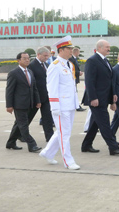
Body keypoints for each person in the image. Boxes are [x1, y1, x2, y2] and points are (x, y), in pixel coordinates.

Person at [39, 36, 81, 169]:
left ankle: (47, 153)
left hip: (70, 105)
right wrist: (55, 106)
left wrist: (76, 103)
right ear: (61, 50)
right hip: (61, 106)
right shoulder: (55, 66)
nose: (71, 51)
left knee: (62, 132)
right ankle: (68, 161)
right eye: (69, 49)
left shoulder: (69, 64)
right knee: (65, 134)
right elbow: (51, 88)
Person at [81, 39, 119, 156]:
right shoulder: (92, 61)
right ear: (100, 48)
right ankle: (113, 147)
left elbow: (109, 81)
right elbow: (89, 81)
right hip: (96, 99)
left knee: (95, 123)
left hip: (105, 98)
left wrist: (112, 98)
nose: (109, 49)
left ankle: (86, 145)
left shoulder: (105, 61)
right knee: (105, 123)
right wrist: (93, 98)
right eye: (107, 47)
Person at [5, 52, 42, 153]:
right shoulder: (13, 73)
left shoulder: (30, 71)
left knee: (18, 124)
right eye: (24, 58)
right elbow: (9, 90)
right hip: (19, 104)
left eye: (28, 58)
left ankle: (11, 143)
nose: (27, 60)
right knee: (23, 125)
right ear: (18, 60)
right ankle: (32, 145)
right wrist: (9, 105)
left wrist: (37, 101)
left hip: (29, 103)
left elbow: (34, 88)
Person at [27, 47, 54, 142]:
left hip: (46, 96)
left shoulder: (46, 65)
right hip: (36, 97)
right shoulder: (32, 65)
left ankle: (50, 137)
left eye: (48, 56)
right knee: (27, 118)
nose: (47, 57)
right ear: (38, 55)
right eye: (45, 55)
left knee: (47, 118)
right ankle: (18, 134)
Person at [69, 47, 86, 112]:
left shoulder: (74, 58)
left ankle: (76, 106)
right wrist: (78, 72)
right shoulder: (71, 59)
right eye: (78, 52)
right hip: (73, 78)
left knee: (75, 92)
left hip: (75, 78)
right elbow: (71, 69)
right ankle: (77, 106)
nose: (79, 54)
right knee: (74, 92)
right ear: (76, 52)